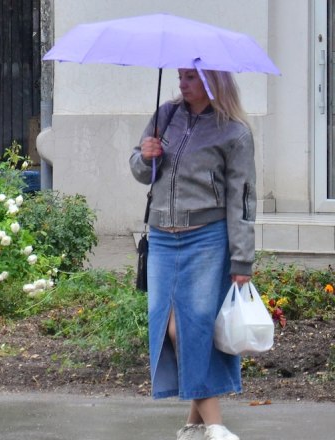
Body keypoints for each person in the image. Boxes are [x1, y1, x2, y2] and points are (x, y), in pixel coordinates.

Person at [129, 68, 255, 440]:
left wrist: (242, 259)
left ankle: (211, 425)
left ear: (213, 81)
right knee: (168, 325)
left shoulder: (234, 131)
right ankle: (196, 425)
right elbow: (140, 169)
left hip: (206, 238)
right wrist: (144, 157)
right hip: (162, 239)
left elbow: (242, 200)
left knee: (193, 327)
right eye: (181, 77)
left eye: (190, 78)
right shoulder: (165, 115)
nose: (182, 84)